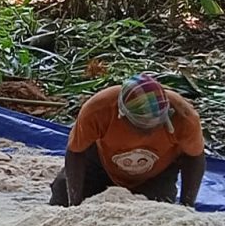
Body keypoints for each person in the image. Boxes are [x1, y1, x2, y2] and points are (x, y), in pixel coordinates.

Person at [49, 74, 207, 207]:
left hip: (156, 175)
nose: (148, 133)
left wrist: (187, 206)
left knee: (157, 215)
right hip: (101, 164)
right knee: (62, 194)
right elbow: (76, 152)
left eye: (156, 125)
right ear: (122, 113)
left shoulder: (184, 116)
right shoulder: (98, 109)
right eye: (141, 126)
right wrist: (74, 205)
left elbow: (195, 158)